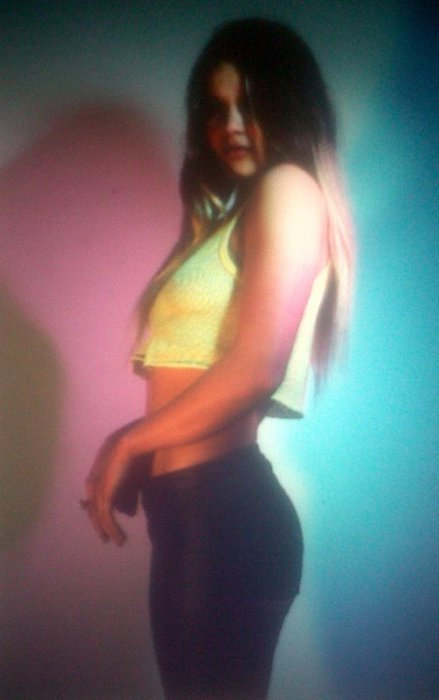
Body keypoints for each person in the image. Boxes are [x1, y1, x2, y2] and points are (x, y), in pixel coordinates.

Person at [81, 17, 354, 700]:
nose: (229, 124)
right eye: (214, 107)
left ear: (289, 105)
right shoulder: (237, 212)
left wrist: (127, 442)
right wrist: (148, 451)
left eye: (249, 103)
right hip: (196, 515)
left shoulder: (288, 187)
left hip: (220, 517)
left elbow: (256, 367)